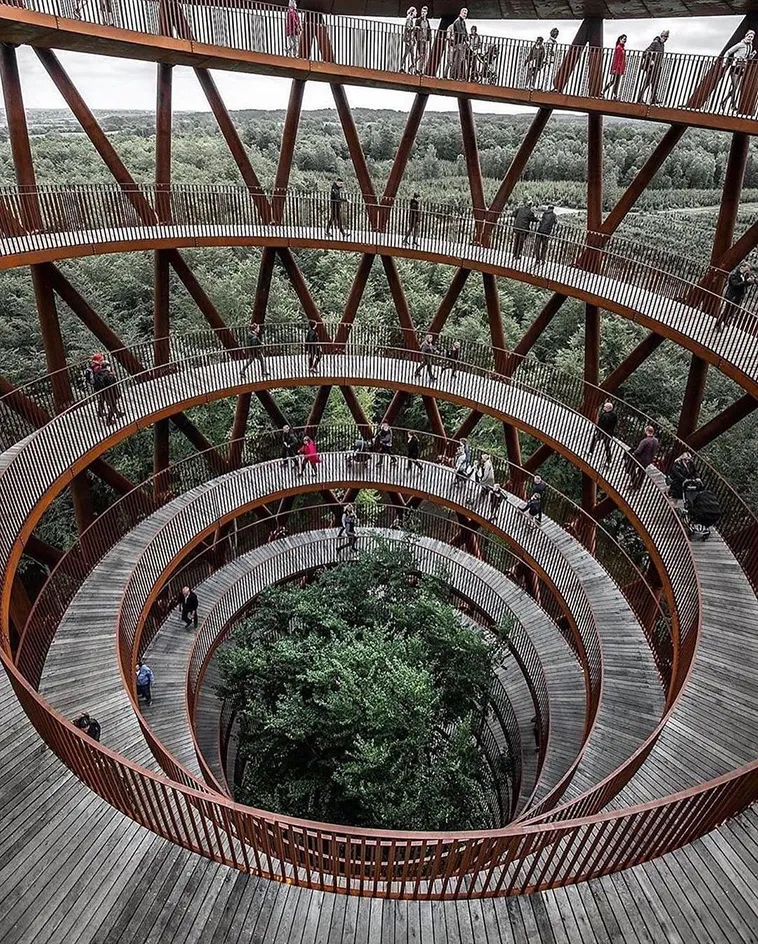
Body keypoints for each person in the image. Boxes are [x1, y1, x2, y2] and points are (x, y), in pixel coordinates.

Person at [721, 30, 755, 112]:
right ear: (746, 36)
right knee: (735, 86)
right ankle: (733, 105)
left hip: (742, 68)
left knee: (735, 87)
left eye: (751, 37)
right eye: (749, 36)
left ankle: (724, 101)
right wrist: (724, 62)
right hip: (735, 67)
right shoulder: (740, 45)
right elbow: (728, 52)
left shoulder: (750, 46)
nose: (750, 38)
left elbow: (748, 58)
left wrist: (752, 55)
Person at [717, 262, 755, 330]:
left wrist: (749, 282)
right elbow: (736, 284)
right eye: (747, 268)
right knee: (727, 310)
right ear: (742, 267)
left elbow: (743, 285)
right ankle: (719, 323)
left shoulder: (743, 276)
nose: (748, 270)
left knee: (733, 311)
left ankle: (725, 321)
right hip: (732, 296)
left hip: (738, 296)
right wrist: (745, 282)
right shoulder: (734, 275)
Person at [637, 30, 669, 105]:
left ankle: (653, 99)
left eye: (666, 38)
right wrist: (651, 61)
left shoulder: (662, 45)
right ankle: (640, 98)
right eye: (665, 37)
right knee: (647, 82)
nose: (665, 39)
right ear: (662, 36)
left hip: (657, 67)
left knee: (654, 83)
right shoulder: (655, 43)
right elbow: (645, 53)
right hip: (651, 67)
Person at [628, 426, 660, 490]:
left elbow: (638, 451)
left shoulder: (645, 441)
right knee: (642, 471)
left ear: (646, 431)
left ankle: (634, 483)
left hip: (641, 459)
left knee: (630, 468)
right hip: (649, 460)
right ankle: (639, 485)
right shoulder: (656, 441)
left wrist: (633, 453)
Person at [588, 400, 618, 466]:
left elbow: (602, 424)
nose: (603, 407)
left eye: (604, 407)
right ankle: (609, 459)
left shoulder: (604, 416)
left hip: (602, 432)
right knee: (607, 445)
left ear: (608, 408)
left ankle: (590, 451)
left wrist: (597, 430)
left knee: (595, 439)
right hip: (609, 433)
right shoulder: (614, 416)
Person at [603, 35, 627, 100]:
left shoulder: (622, 48)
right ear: (620, 39)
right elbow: (616, 59)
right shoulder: (619, 48)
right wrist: (614, 68)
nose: (624, 40)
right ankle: (612, 94)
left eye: (625, 39)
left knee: (614, 81)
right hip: (617, 68)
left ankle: (606, 92)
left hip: (619, 68)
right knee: (615, 82)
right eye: (623, 39)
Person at [85, 352, 106, 417]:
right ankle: (102, 412)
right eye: (101, 360)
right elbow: (101, 375)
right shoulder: (97, 367)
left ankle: (100, 411)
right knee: (104, 397)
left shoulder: (92, 365)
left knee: (103, 397)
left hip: (97, 385)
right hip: (100, 385)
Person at [450, 8, 468, 81]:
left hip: (461, 43)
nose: (465, 15)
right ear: (460, 13)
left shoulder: (463, 22)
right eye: (464, 13)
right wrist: (465, 39)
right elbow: (460, 32)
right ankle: (453, 75)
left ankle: (456, 75)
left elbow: (465, 32)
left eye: (466, 13)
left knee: (459, 60)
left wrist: (467, 39)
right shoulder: (457, 22)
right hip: (458, 43)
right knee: (457, 60)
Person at [400, 7, 417, 73]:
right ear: (412, 12)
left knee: (412, 55)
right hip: (409, 40)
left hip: (411, 40)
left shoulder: (411, 18)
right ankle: (401, 67)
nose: (416, 13)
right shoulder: (409, 18)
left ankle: (413, 68)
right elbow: (408, 29)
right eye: (415, 12)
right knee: (406, 54)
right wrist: (415, 28)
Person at [415, 6, 431, 74]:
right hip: (420, 39)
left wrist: (429, 38)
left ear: (426, 13)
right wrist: (416, 38)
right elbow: (415, 30)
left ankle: (420, 69)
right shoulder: (418, 20)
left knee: (423, 56)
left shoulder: (427, 21)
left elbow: (429, 30)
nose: (423, 13)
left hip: (425, 40)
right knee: (419, 55)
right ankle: (414, 66)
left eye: (424, 12)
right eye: (422, 11)